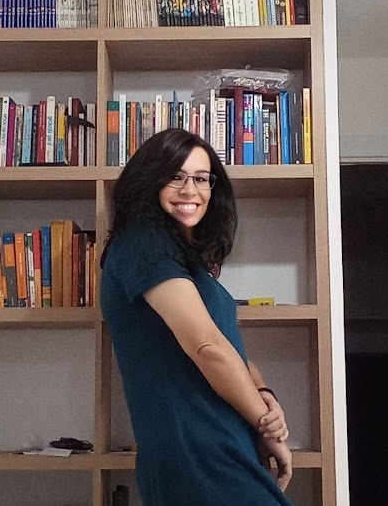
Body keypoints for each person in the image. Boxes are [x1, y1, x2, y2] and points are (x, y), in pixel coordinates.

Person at [100, 128, 293, 505]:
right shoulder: (144, 243)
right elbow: (207, 347)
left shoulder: (185, 263)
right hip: (197, 449)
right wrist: (265, 424)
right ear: (150, 181)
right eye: (176, 176)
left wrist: (264, 396)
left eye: (202, 178)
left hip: (218, 444)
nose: (190, 190)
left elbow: (229, 349)